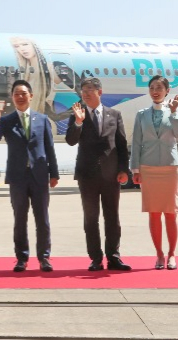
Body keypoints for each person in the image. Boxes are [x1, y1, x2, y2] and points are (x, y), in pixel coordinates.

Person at [0, 80, 59, 272]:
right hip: (17, 177)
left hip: (40, 176)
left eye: (23, 93)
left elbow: (49, 148)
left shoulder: (42, 120)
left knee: (42, 218)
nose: (20, 96)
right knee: (20, 219)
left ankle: (44, 258)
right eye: (16, 93)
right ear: (12, 97)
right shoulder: (7, 121)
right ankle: (22, 258)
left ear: (31, 96)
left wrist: (54, 173)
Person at [65, 77, 131, 272]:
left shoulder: (114, 115)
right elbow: (70, 140)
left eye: (89, 90)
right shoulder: (78, 114)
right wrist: (78, 122)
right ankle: (95, 258)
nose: (85, 94)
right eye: (83, 91)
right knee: (91, 219)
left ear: (100, 92)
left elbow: (120, 144)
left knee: (112, 218)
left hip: (111, 176)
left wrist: (123, 170)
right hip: (87, 176)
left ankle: (114, 257)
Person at [131, 75, 178, 270]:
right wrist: (135, 169)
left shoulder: (176, 112)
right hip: (149, 167)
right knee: (153, 214)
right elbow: (136, 142)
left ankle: (172, 254)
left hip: (170, 168)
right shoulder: (141, 114)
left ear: (167, 91)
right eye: (152, 87)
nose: (155, 91)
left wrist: (174, 112)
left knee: (171, 213)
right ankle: (159, 255)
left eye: (159, 88)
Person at [10, 36, 55, 114]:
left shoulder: (50, 68)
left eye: (25, 44)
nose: (22, 49)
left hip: (40, 120)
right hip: (22, 119)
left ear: (34, 45)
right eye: (17, 46)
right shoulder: (20, 73)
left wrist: (61, 116)